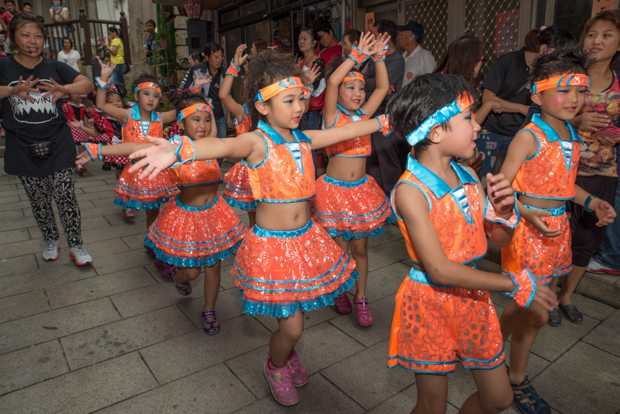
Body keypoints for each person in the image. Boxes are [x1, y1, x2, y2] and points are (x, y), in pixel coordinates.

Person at [127, 50, 387, 407]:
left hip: (306, 242)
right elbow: (223, 144)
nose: (299, 107)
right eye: (289, 100)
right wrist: (180, 150)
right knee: (293, 325)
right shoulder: (258, 142)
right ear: (263, 107)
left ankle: (287, 351)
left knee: (295, 316)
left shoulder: (303, 138)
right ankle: (275, 364)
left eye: (301, 98)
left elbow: (350, 129)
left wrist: (385, 122)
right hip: (274, 249)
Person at [387, 72, 557, 414]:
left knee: (499, 398)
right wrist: (513, 283)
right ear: (435, 132)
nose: (478, 126)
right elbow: (439, 270)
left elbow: (497, 238)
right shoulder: (411, 191)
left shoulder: (467, 175)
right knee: (432, 406)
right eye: (467, 118)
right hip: (428, 303)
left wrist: (506, 213)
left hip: (474, 299)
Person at [498, 46, 614, 413]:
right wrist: (527, 214)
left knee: (532, 307)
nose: (573, 99)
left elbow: (563, 186)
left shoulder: (570, 135)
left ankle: (511, 370)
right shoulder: (529, 137)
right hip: (527, 234)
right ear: (538, 95)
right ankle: (493, 352)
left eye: (580, 90)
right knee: (529, 305)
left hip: (557, 230)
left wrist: (590, 202)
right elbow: (500, 190)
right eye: (563, 90)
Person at [79, 92, 247, 335]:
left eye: (207, 119)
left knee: (213, 266)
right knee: (193, 270)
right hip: (187, 219)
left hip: (214, 215)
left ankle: (209, 309)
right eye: (196, 119)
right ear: (180, 124)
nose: (203, 125)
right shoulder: (175, 148)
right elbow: (135, 146)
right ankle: (180, 278)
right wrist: (97, 150)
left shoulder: (215, 146)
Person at [312, 32, 393, 327]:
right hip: (334, 193)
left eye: (361, 87)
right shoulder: (333, 117)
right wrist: (356, 55)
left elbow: (382, 87)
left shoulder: (364, 116)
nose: (358, 93)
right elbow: (332, 81)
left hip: (360, 192)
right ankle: (339, 290)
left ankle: (361, 296)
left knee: (360, 248)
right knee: (340, 249)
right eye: (351, 88)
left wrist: (380, 57)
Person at [0, 13, 94, 265]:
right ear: (13, 38)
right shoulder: (4, 66)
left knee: (65, 195)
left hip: (58, 142)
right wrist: (11, 90)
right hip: (21, 146)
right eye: (26, 35)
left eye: (38, 36)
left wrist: (65, 89)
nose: (33, 41)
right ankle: (51, 239)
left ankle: (76, 244)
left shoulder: (54, 66)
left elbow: (85, 84)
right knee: (39, 199)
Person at [547, 11, 620, 325]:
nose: (597, 41)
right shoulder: (569, 77)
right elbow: (544, 118)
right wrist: (576, 121)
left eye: (606, 35)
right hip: (564, 170)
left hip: (603, 174)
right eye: (592, 34)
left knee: (586, 243)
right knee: (554, 237)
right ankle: (547, 298)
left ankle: (566, 297)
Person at [93, 60, 178, 242]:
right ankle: (153, 240)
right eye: (146, 94)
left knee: (157, 210)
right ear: (136, 95)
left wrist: (195, 90)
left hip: (159, 171)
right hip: (139, 171)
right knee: (151, 211)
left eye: (156, 96)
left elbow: (181, 111)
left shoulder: (161, 118)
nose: (150, 99)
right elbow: (101, 104)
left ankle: (154, 239)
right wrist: (103, 78)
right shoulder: (127, 115)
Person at [477, 29, 539, 177]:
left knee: (517, 177)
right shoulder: (507, 61)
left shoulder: (543, 69)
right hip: (491, 128)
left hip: (519, 131)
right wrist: (522, 109)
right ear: (543, 49)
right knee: (483, 176)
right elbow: (488, 98)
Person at [435, 35, 503, 172]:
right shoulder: (458, 88)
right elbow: (469, 122)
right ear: (470, 61)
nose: (480, 65)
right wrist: (488, 104)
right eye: (480, 60)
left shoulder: (439, 79)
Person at [363, 19, 405, 195]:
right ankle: (378, 199)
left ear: (384, 37)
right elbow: (365, 78)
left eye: (375, 34)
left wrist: (362, 83)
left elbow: (380, 84)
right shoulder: (375, 59)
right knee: (372, 160)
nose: (373, 38)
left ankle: (395, 202)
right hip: (373, 111)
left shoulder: (397, 60)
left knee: (388, 162)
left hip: (387, 114)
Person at [87, 86, 134, 219]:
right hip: (117, 151)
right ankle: (126, 204)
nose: (115, 103)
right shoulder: (104, 119)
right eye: (111, 101)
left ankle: (130, 197)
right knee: (123, 177)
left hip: (131, 148)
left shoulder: (130, 113)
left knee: (131, 176)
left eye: (118, 100)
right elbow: (98, 133)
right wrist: (81, 127)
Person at [181, 42, 229, 145]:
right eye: (215, 57)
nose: (218, 60)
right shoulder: (196, 70)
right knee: (205, 144)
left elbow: (228, 95)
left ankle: (217, 162)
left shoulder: (225, 72)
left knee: (221, 145)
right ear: (207, 57)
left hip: (220, 114)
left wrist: (228, 116)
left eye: (220, 56)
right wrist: (196, 85)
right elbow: (186, 92)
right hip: (201, 114)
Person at [62, 93, 99, 175]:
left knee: (82, 145)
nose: (77, 95)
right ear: (69, 95)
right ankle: (79, 166)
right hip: (71, 126)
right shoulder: (65, 106)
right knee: (74, 146)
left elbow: (84, 117)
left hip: (81, 126)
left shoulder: (83, 106)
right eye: (74, 93)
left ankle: (79, 163)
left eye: (78, 93)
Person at [297, 27, 325, 132]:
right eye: (300, 39)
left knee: (309, 144)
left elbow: (314, 86)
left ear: (313, 42)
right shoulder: (301, 60)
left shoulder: (318, 62)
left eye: (305, 39)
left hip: (312, 110)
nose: (301, 42)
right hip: (301, 107)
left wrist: (297, 75)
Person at [397, 20, 436, 87]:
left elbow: (433, 81)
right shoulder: (402, 57)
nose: (399, 37)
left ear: (411, 37)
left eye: (401, 34)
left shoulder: (424, 56)